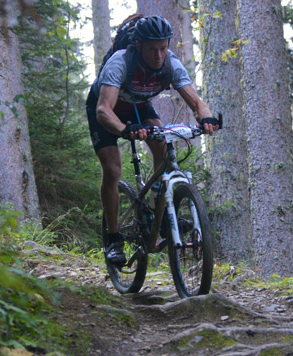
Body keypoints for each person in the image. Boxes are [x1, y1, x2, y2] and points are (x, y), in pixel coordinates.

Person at [85, 15, 220, 265]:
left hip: (139, 107)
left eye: (163, 48)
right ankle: (113, 238)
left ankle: (156, 207)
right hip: (107, 111)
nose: (159, 55)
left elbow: (196, 102)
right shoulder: (120, 61)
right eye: (152, 49)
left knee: (163, 149)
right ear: (138, 47)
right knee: (113, 170)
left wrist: (207, 119)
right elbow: (103, 110)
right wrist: (125, 130)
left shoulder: (170, 62)